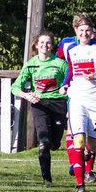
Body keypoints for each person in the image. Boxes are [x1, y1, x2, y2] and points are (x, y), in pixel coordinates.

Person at [58, 15, 96, 192]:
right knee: (79, 138)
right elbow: (70, 70)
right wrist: (65, 85)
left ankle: (86, 157)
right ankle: (79, 182)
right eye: (80, 30)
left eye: (87, 30)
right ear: (76, 30)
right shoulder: (71, 48)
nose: (84, 33)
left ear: (92, 31)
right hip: (77, 99)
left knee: (92, 145)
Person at [11, 31, 69, 184]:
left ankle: (54, 143)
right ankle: (47, 179)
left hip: (58, 104)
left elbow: (71, 81)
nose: (45, 45)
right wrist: (26, 95)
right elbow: (15, 87)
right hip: (39, 104)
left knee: (54, 143)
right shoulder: (31, 64)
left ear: (52, 45)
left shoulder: (60, 64)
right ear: (36, 45)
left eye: (48, 42)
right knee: (43, 141)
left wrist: (66, 88)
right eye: (42, 42)